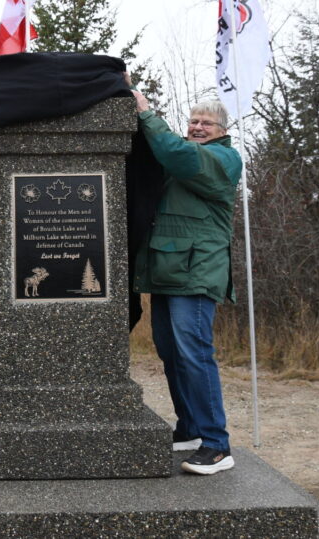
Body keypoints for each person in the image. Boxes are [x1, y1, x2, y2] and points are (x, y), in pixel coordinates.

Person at [130, 90, 242, 475]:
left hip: (197, 272)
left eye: (206, 123)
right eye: (193, 121)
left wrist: (146, 112)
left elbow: (177, 154)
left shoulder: (223, 159)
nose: (197, 127)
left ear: (222, 130)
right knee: (171, 352)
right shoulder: (186, 154)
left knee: (195, 353)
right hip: (167, 271)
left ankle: (216, 445)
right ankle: (191, 428)